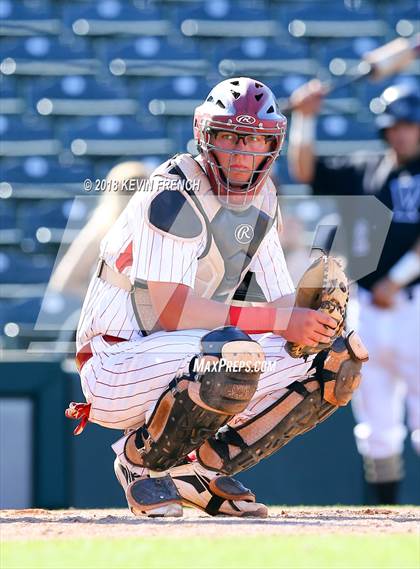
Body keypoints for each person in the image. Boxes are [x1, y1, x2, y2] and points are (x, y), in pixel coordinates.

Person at [66, 77, 366, 518]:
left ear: (273, 144)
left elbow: (281, 301)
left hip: (185, 354)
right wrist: (284, 321)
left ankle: (201, 472)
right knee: (234, 354)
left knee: (337, 360)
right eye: (230, 137)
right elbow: (168, 312)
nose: (243, 152)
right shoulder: (171, 193)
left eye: (257, 140)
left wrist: (315, 318)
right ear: (205, 137)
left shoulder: (262, 197)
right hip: (117, 361)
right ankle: (139, 463)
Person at [288, 80, 420, 504]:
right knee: (375, 425)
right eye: (395, 125)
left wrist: (397, 279)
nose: (401, 132)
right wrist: (305, 119)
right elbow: (305, 171)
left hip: (413, 304)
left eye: (409, 124)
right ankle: (386, 518)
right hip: (365, 308)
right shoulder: (366, 168)